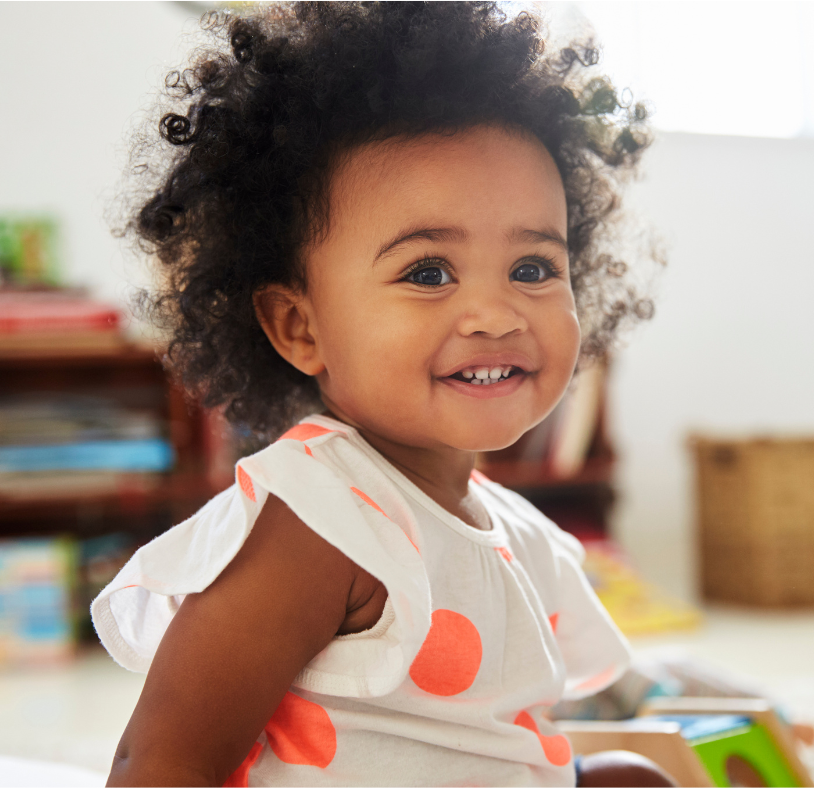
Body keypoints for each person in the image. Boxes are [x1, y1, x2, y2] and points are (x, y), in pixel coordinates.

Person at [93, 3, 670, 786]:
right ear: (299, 326)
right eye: (428, 272)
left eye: (533, 268)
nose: (495, 314)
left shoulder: (517, 533)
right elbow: (161, 761)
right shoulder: (319, 520)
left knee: (632, 777)